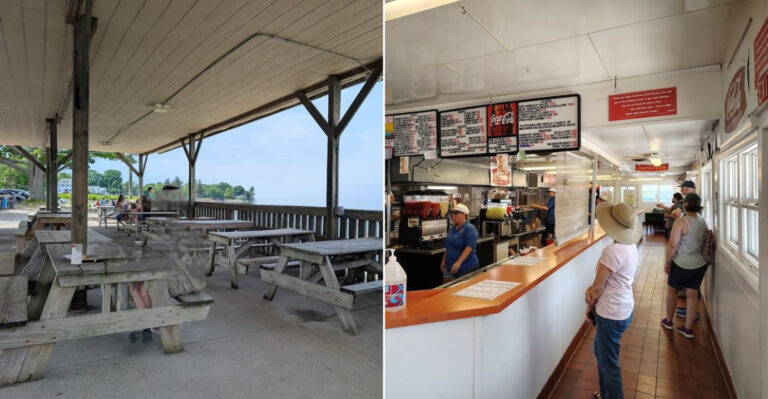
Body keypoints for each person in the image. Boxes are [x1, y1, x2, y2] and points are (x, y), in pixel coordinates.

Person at [585, 202, 642, 399]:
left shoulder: (612, 252)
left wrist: (590, 303)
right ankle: (606, 394)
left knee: (609, 364)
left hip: (610, 312)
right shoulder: (630, 246)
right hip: (624, 308)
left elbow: (599, 287)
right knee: (600, 352)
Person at [660, 193, 708, 339]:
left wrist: (667, 262)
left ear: (685, 204)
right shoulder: (703, 220)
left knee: (672, 292)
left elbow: (673, 244)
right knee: (692, 296)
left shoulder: (682, 222)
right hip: (699, 264)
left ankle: (669, 321)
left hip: (681, 264)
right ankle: (687, 329)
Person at [440, 204, 479, 278]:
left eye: (456, 214)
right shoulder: (453, 228)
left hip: (465, 267)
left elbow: (469, 247)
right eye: (452, 214)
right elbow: (449, 246)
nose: (453, 216)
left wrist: (458, 263)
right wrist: (443, 260)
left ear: (464, 214)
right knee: (448, 289)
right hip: (449, 266)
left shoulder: (470, 228)